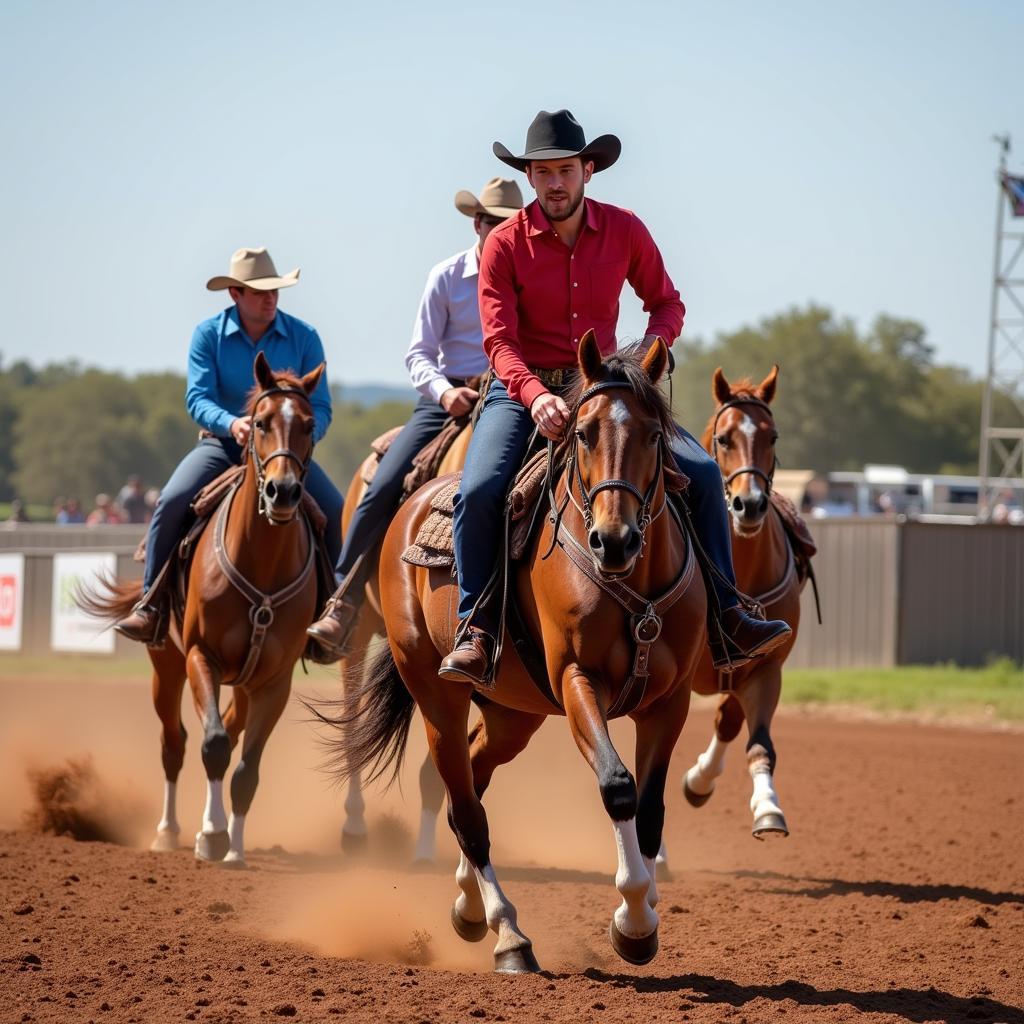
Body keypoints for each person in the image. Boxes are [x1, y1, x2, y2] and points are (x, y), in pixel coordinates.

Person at [440, 109, 792, 684]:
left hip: (607, 390)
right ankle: (476, 631)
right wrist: (533, 395)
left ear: (588, 171)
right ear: (529, 177)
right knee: (478, 492)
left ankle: (729, 619)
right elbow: (498, 339)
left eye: (566, 170)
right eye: (543, 172)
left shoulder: (626, 229)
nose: (556, 182)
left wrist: (652, 351)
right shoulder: (504, 244)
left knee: (703, 476)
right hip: (521, 392)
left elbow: (667, 303)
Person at [306, 178, 525, 660]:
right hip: (447, 398)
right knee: (383, 484)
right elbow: (419, 354)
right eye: (495, 222)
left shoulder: (530, 274)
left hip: (511, 393)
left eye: (512, 223)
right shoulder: (446, 276)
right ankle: (342, 600)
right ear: (477, 223)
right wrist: (446, 394)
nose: (503, 231)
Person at [115, 247, 344, 644]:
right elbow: (197, 398)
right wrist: (232, 423)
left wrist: (299, 439)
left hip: (283, 455)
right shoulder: (208, 335)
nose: (270, 298)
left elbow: (320, 405)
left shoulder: (305, 337)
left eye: (274, 290)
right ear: (235, 294)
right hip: (222, 446)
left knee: (338, 511)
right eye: (259, 291)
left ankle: (334, 614)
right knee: (171, 500)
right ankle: (151, 605)